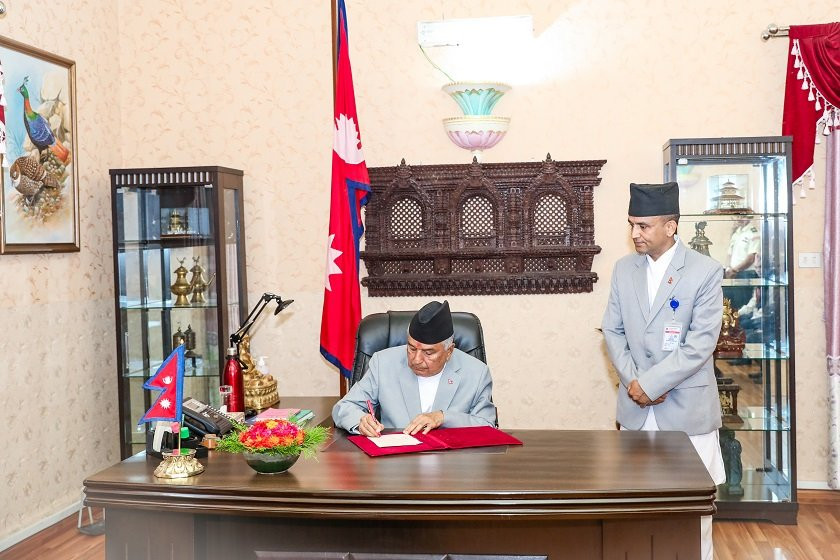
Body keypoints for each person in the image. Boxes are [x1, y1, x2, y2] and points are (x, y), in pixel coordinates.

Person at [601, 182, 725, 560]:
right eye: (631, 225)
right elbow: (612, 331)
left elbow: (700, 344)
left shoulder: (704, 271)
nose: (635, 233)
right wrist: (635, 383)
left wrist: (652, 383)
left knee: (693, 515)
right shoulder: (624, 269)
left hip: (687, 412)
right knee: (636, 510)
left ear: (670, 226)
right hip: (636, 410)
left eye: (644, 226)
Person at [332, 300, 496, 437]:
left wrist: (443, 418)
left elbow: (487, 426)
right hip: (395, 460)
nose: (416, 360)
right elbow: (344, 408)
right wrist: (361, 421)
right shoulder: (383, 363)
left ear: (449, 351)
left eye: (428, 352)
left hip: (452, 462)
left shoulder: (477, 373)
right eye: (411, 348)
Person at [723, 217, 761, 311]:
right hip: (732, 274)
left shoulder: (754, 232)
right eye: (737, 216)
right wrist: (728, 269)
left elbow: (751, 258)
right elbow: (729, 254)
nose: (739, 218)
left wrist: (734, 270)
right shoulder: (736, 233)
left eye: (742, 216)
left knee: (742, 305)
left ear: (749, 216)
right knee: (731, 305)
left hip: (746, 274)